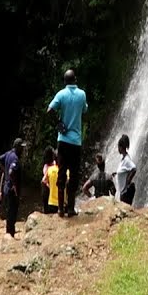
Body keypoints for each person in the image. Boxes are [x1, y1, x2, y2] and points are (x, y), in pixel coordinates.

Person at [47, 70, 87, 217]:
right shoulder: (82, 94)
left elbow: (49, 110)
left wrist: (59, 124)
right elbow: (85, 110)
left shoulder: (61, 94)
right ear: (75, 79)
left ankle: (60, 209)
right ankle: (70, 208)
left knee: (61, 172)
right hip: (76, 141)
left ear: (64, 81)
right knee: (74, 174)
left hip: (62, 141)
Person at [0, 139, 23, 237]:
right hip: (12, 188)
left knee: (9, 209)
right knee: (13, 209)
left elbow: (0, 159)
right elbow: (11, 172)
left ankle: (10, 229)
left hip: (6, 185)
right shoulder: (15, 158)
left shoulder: (8, 154)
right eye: (22, 148)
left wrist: (4, 170)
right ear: (18, 147)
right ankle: (10, 232)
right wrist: (14, 186)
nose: (23, 150)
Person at [114, 134, 137, 205]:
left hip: (126, 192)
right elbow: (124, 171)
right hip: (123, 192)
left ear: (121, 147)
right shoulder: (123, 159)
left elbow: (134, 168)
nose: (118, 149)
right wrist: (116, 173)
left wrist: (128, 180)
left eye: (118, 147)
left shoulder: (127, 159)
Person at [41, 147, 57, 214]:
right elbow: (44, 181)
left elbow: (43, 181)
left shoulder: (46, 166)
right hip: (51, 189)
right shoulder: (49, 167)